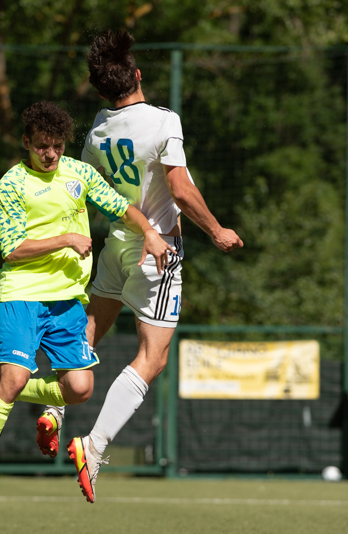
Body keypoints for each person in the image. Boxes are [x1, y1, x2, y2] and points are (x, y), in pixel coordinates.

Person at [36, 30, 243, 504]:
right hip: (158, 248)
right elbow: (180, 189)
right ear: (138, 75)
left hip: (117, 242)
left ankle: (55, 408)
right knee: (154, 357)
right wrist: (216, 230)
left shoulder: (98, 128)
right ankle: (93, 446)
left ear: (102, 91)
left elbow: (87, 184)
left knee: (90, 329)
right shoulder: (163, 120)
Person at [0, 100, 174, 510]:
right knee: (16, 377)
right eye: (42, 145)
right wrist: (66, 239)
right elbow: (12, 249)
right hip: (21, 295)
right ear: (27, 142)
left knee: (80, 389)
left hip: (67, 301)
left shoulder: (79, 173)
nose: (50, 154)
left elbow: (120, 207)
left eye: (57, 146)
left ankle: (7, 390)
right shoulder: (11, 184)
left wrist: (148, 230)